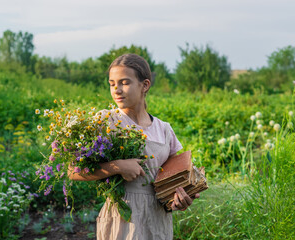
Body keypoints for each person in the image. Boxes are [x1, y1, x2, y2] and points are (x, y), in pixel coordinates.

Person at [68, 53, 199, 240]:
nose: (117, 90)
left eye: (124, 82)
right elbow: (73, 170)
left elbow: (176, 180)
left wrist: (181, 198)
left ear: (145, 85)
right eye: (112, 84)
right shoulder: (106, 121)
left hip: (157, 222)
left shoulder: (164, 129)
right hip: (123, 219)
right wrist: (118, 166)